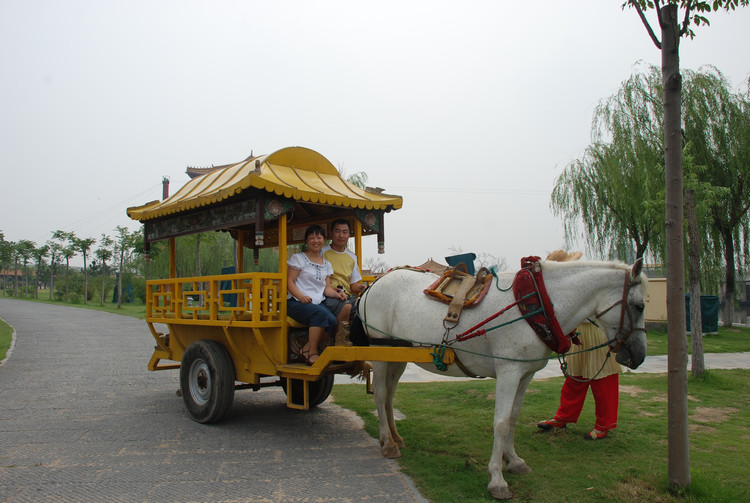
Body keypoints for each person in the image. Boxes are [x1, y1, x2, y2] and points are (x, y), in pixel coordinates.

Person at [536, 250, 622, 440]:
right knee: (574, 380)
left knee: (602, 379)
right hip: (577, 334)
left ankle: (603, 424)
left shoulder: (583, 283)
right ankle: (563, 417)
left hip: (597, 333)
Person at [287, 225, 348, 365]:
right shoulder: (299, 258)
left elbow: (326, 288)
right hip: (296, 303)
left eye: (319, 237)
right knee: (320, 314)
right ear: (306, 241)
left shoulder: (326, 263)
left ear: (324, 240)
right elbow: (289, 281)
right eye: (312, 238)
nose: (316, 241)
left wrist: (337, 294)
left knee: (333, 322)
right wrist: (301, 296)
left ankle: (305, 348)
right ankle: (312, 353)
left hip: (316, 303)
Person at [321, 219, 364, 344]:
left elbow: (353, 285)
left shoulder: (352, 257)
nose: (341, 235)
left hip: (347, 296)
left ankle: (360, 344)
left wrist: (361, 288)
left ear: (349, 235)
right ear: (331, 233)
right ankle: (338, 343)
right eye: (338, 231)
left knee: (366, 308)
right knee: (346, 306)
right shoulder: (322, 252)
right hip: (326, 295)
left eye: (345, 232)